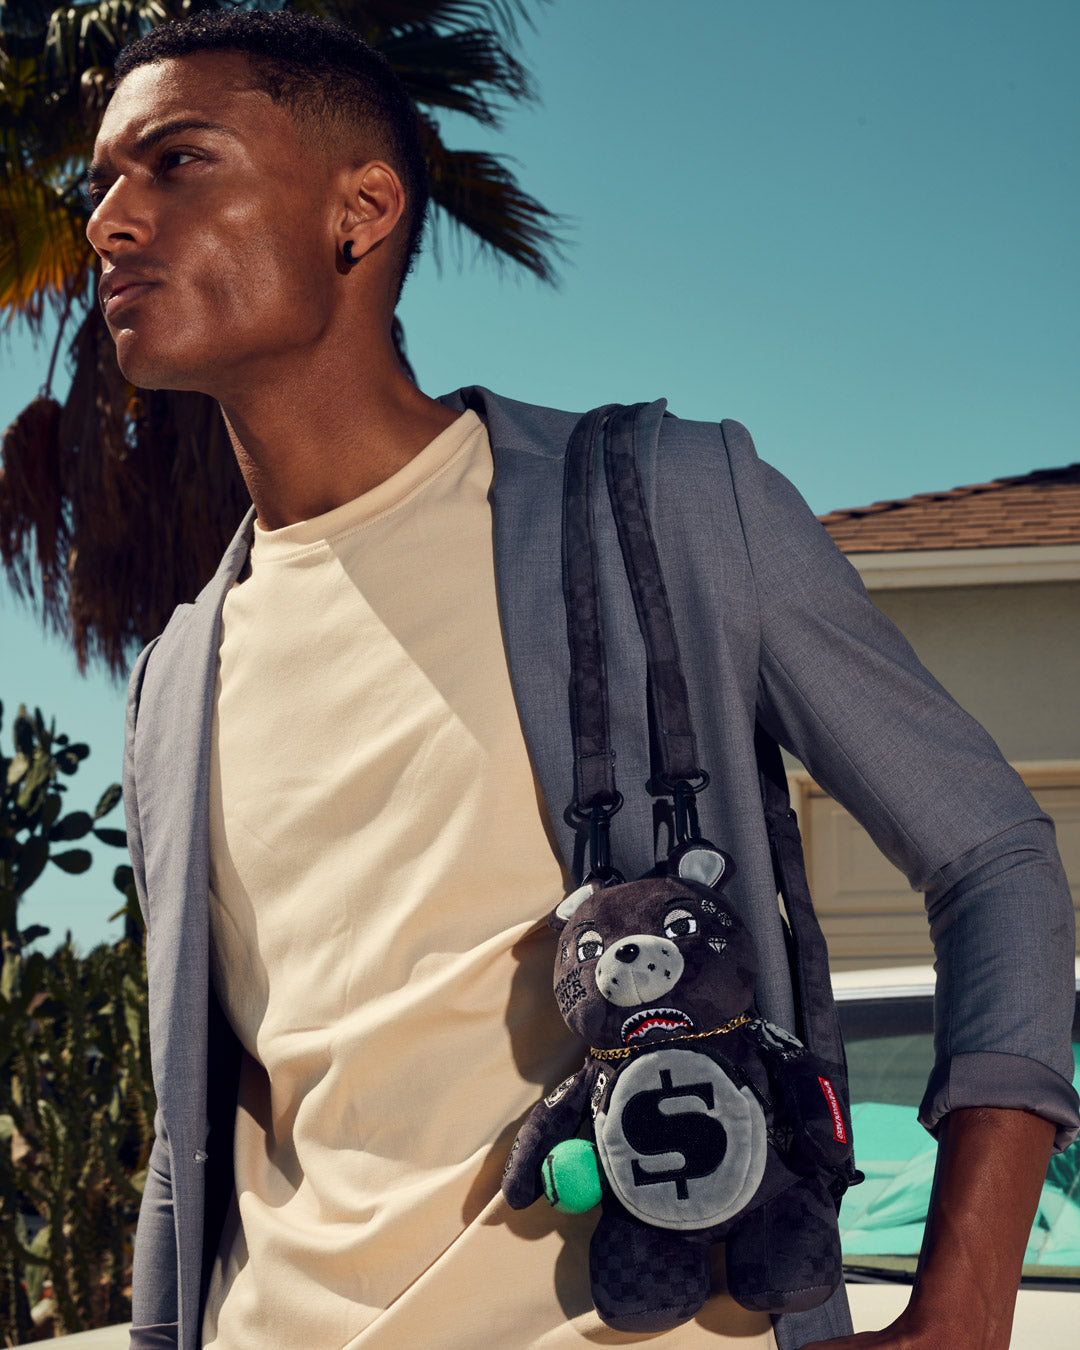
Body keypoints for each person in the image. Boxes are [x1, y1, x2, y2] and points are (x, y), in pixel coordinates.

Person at [85, 11, 1078, 1350]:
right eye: (101, 182)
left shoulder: (666, 507)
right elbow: (195, 1129)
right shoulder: (176, 680)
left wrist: (964, 1303)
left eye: (177, 162)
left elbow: (994, 859)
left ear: (359, 212)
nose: (109, 221)